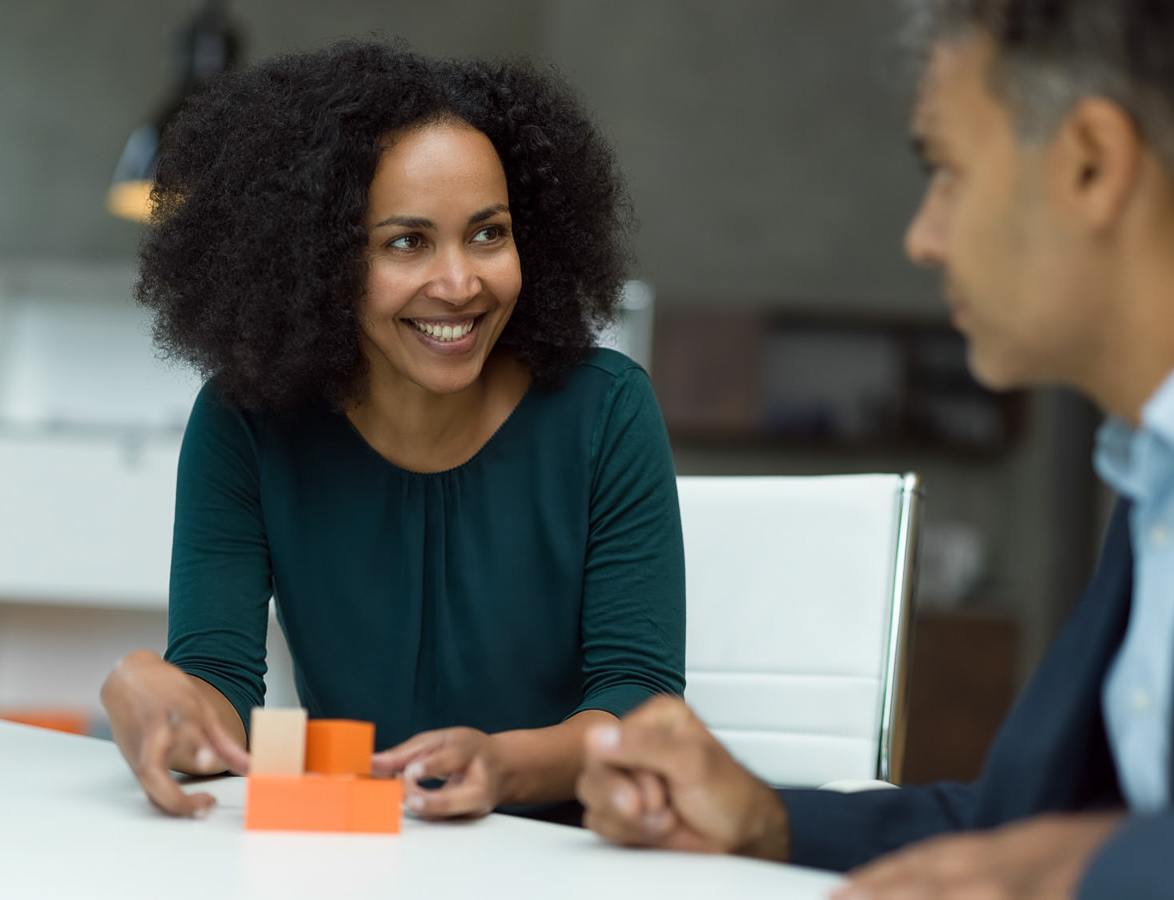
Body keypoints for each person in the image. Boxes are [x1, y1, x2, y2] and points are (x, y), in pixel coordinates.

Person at [578, 0, 1174, 896]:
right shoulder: (1148, 488)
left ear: (1091, 164)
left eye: (947, 172)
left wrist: (1085, 865)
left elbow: (1056, 853)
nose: (923, 238)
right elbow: (1012, 835)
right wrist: (769, 818)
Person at [100, 39, 685, 824]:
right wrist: (156, 695)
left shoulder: (604, 410)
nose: (459, 283)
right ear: (316, 262)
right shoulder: (246, 422)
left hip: (562, 852)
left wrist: (503, 766)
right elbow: (219, 685)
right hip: (353, 841)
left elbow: (638, 700)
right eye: (406, 242)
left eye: (488, 233)